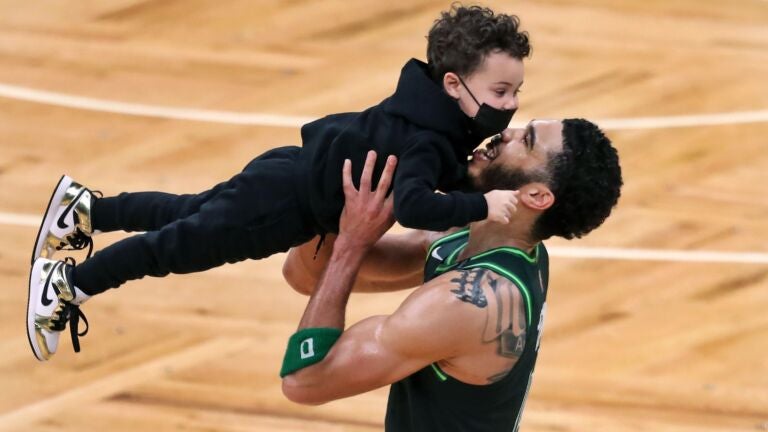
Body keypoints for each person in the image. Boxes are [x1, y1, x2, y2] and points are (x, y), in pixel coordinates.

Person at [26, 4, 530, 362]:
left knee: (187, 212)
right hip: (282, 209)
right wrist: (481, 206)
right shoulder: (430, 137)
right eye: (501, 91)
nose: (509, 104)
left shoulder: (424, 109)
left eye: (515, 92)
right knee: (174, 247)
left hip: (286, 169)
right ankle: (69, 287)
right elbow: (417, 205)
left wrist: (472, 192)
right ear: (453, 84)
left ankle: (86, 212)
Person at [280, 118, 623, 431]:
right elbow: (307, 276)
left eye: (527, 141)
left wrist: (351, 243)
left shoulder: (470, 303)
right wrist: (328, 200)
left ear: (536, 196)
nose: (507, 132)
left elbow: (305, 381)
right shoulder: (479, 236)